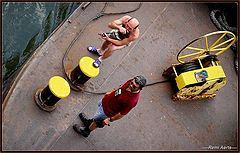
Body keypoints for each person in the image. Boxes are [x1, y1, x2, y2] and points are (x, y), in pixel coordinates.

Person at [73, 75, 147, 137]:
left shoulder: (132, 101)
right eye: (131, 83)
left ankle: (86, 131)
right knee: (96, 116)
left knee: (97, 122)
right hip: (105, 102)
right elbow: (120, 87)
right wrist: (110, 92)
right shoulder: (130, 82)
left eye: (134, 86)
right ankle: (89, 122)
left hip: (107, 112)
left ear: (140, 89)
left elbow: (122, 114)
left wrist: (109, 120)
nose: (130, 85)